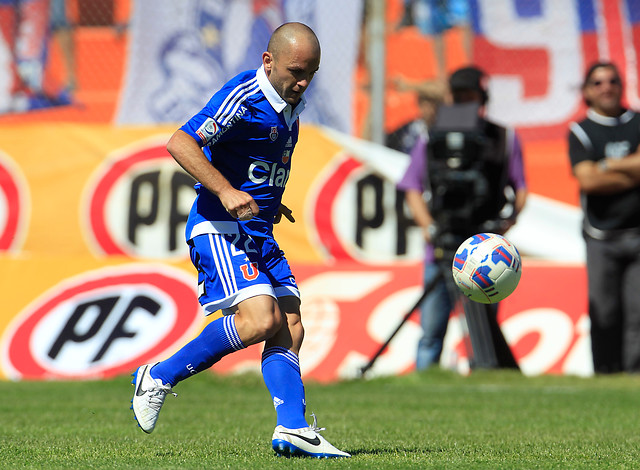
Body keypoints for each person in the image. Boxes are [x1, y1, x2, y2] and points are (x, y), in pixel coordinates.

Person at [130, 22, 350, 459]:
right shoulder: (244, 96)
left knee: (290, 324)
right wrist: (227, 193)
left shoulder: (291, 104)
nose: (303, 82)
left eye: (311, 73)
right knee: (259, 320)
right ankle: (157, 376)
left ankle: (292, 429)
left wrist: (272, 204)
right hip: (218, 226)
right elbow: (181, 142)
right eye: (296, 71)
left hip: (258, 229)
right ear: (268, 61)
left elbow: (258, 164)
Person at [397, 66, 527, 370]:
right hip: (441, 243)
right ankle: (425, 379)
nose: (465, 103)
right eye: (459, 96)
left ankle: (485, 376)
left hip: (485, 250)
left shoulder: (503, 137)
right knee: (432, 329)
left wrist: (509, 221)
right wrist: (427, 225)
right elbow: (411, 185)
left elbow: (520, 187)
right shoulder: (432, 136)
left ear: (482, 97)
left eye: (470, 96)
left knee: (483, 331)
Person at [568, 61, 640, 374]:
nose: (606, 87)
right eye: (598, 83)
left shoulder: (637, 121)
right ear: (587, 91)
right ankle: (605, 375)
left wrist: (607, 165)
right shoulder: (580, 131)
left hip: (637, 233)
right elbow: (588, 181)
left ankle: (634, 376)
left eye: (612, 80)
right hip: (601, 235)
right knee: (605, 312)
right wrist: (632, 170)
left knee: (638, 314)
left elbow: (598, 173)